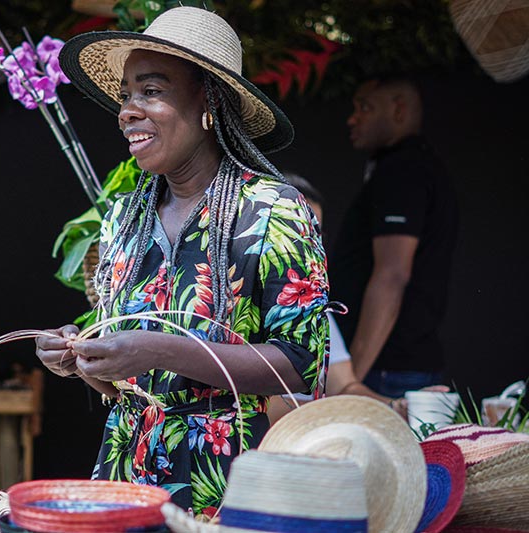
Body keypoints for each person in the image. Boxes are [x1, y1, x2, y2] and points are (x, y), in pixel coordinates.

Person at [36, 7, 328, 517]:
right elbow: (124, 376)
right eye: (126, 94)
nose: (127, 110)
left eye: (151, 91)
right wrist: (81, 359)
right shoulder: (126, 216)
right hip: (124, 475)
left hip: (223, 481)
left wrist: (159, 350)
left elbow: (300, 365)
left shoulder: (271, 211)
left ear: (208, 100)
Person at [266, 173, 449, 424]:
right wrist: (339, 409)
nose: (311, 247)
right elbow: (258, 410)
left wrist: (399, 407)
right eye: (299, 233)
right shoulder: (228, 305)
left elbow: (346, 388)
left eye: (317, 235)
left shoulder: (312, 306)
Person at [330, 75, 459, 398]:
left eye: (365, 107)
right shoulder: (411, 167)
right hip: (396, 367)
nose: (353, 117)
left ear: (398, 109)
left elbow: (392, 275)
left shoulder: (403, 171)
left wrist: (350, 382)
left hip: (387, 371)